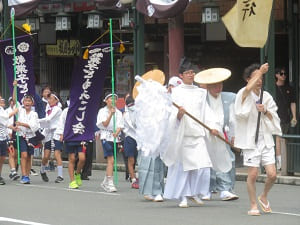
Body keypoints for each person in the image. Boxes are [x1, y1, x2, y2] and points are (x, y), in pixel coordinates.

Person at [162, 58, 222, 208]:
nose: (190, 75)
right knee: (184, 168)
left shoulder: (201, 92)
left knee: (203, 166)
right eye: (187, 72)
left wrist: (213, 126)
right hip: (183, 134)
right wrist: (179, 115)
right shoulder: (175, 93)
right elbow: (170, 114)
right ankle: (183, 195)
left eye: (192, 72)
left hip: (198, 132)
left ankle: (194, 192)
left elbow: (206, 112)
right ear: (181, 75)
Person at [234, 63, 282, 216]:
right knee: (253, 174)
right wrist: (260, 71)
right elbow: (247, 90)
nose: (259, 80)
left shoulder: (266, 96)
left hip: (265, 139)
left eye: (261, 77)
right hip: (250, 140)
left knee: (272, 174)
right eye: (256, 77)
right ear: (248, 79)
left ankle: (264, 196)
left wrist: (265, 110)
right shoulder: (244, 92)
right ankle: (253, 204)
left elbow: (274, 116)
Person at [196, 68, 239, 201]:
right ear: (207, 87)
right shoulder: (201, 99)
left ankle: (225, 189)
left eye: (220, 85)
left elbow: (233, 119)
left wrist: (233, 135)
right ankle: (207, 189)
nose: (218, 88)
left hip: (222, 134)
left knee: (226, 160)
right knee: (206, 162)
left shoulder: (230, 97)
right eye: (214, 86)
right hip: (206, 134)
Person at [96, 93, 123, 192]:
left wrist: (117, 132)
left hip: (115, 138)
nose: (113, 101)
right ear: (106, 100)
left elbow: (120, 125)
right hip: (106, 137)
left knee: (112, 161)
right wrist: (111, 114)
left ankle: (105, 181)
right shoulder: (102, 111)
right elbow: (105, 124)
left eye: (115, 99)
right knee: (110, 160)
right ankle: (110, 183)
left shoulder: (119, 112)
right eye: (111, 99)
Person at [14, 93, 40, 184]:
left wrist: (21, 124)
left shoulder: (34, 114)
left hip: (31, 137)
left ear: (32, 103)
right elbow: (14, 99)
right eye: (26, 101)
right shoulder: (20, 110)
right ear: (23, 102)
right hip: (21, 136)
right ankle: (24, 175)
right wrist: (14, 86)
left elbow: (33, 126)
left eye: (29, 101)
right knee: (24, 155)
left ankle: (27, 175)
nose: (27, 102)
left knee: (29, 157)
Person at [274, 67, 297, 170]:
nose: (284, 75)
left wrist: (294, 116)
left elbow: (293, 103)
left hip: (286, 116)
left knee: (284, 138)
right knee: (278, 138)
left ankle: (284, 161)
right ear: (276, 75)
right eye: (281, 73)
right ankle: (280, 162)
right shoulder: (272, 87)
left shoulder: (289, 88)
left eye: (285, 73)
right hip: (274, 116)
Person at [39, 92, 63, 183]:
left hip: (57, 132)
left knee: (57, 154)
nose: (49, 100)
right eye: (48, 99)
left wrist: (36, 121)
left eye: (51, 98)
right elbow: (47, 122)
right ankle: (42, 170)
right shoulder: (48, 108)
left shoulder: (58, 109)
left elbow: (49, 119)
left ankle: (60, 175)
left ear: (56, 100)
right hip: (48, 133)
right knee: (46, 156)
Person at [0, 97, 18, 185]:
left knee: (2, 157)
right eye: (0, 99)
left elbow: (6, 123)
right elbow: (5, 117)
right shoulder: (4, 112)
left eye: (2, 99)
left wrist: (13, 128)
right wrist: (14, 112)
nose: (2, 100)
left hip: (3, 137)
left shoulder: (2, 109)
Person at [123, 95, 139, 189]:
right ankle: (132, 178)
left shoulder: (139, 112)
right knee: (131, 159)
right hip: (130, 137)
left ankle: (137, 176)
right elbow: (130, 126)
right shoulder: (125, 114)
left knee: (138, 159)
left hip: (139, 138)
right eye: (130, 105)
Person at [5, 97, 20, 181]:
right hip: (8, 134)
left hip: (17, 134)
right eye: (11, 101)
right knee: (12, 153)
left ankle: (13, 170)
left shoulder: (19, 110)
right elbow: (5, 122)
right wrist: (9, 132)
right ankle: (13, 171)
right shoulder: (6, 111)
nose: (12, 102)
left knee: (16, 154)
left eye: (14, 101)